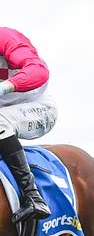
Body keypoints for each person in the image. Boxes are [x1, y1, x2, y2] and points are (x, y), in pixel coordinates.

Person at [0, 27, 57, 224]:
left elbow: (39, 71)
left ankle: (33, 196)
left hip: (39, 108)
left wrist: (6, 86)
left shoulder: (5, 37)